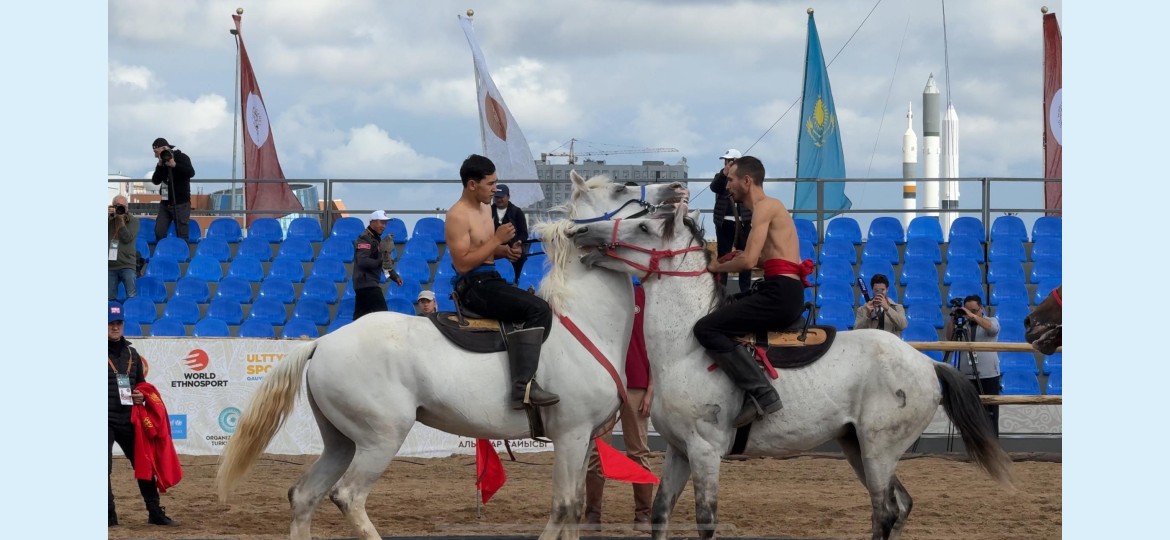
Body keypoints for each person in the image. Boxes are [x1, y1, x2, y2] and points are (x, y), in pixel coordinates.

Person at [695, 156, 811, 427]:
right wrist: (739, 258)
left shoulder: (765, 207)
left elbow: (748, 263)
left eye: (731, 180)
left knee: (705, 328)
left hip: (780, 293)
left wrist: (716, 266)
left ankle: (762, 392)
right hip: (781, 289)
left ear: (747, 181)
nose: (727, 186)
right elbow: (760, 260)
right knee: (721, 309)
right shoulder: (770, 209)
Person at [445, 154, 559, 409]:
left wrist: (505, 252)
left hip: (490, 277)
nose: (495, 189)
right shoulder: (457, 216)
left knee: (543, 304)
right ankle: (523, 387)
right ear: (472, 184)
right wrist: (497, 241)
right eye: (490, 183)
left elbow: (483, 249)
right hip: (473, 285)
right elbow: (462, 263)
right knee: (539, 309)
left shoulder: (486, 209)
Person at [583, 279, 654, 532]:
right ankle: (593, 515)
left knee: (638, 452)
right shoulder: (600, 294)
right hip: (605, 385)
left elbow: (656, 344)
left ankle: (643, 515)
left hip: (636, 383)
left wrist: (651, 388)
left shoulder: (645, 296)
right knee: (596, 453)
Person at [108, 301, 178, 527]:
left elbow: (141, 383)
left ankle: (154, 512)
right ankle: (108, 516)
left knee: (144, 463)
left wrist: (140, 395)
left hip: (130, 418)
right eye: (110, 323)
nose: (115, 327)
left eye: (118, 323)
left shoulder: (132, 353)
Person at [944, 294, 1002, 436]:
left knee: (990, 414)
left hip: (988, 376)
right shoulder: (962, 325)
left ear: (981, 308)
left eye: (974, 310)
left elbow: (993, 329)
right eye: (967, 310)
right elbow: (949, 339)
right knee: (968, 415)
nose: (970, 313)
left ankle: (992, 443)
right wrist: (954, 319)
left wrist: (973, 316)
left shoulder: (990, 320)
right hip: (966, 376)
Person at [709, 149, 753, 293]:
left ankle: (745, 291)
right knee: (723, 256)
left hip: (743, 222)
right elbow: (714, 187)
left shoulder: (746, 178)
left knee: (744, 255)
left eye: (729, 161)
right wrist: (724, 174)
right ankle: (721, 290)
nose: (726, 163)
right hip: (724, 222)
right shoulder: (721, 177)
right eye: (726, 161)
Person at [353, 210, 402, 320]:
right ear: (372, 222)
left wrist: (394, 276)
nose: (384, 226)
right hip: (367, 284)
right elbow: (362, 261)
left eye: (385, 223)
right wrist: (381, 261)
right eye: (382, 222)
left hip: (364, 284)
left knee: (359, 320)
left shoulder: (375, 239)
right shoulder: (365, 238)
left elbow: (383, 263)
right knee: (383, 317)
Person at [149, 137, 196, 243]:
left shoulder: (181, 157)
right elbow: (155, 180)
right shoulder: (161, 163)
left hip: (181, 203)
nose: (155, 155)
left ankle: (183, 252)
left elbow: (191, 172)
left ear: (164, 148)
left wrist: (175, 165)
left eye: (156, 152)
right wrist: (160, 165)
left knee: (182, 234)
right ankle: (163, 249)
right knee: (159, 232)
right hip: (165, 202)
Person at [491, 184, 529, 285]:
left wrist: (518, 243)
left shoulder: (517, 212)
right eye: (496, 197)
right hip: (494, 250)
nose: (499, 200)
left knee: (518, 259)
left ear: (508, 197)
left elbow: (523, 233)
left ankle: (516, 281)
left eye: (501, 197)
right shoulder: (488, 211)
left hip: (513, 249)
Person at [109, 195, 140, 300]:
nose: (120, 209)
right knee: (109, 298)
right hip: (110, 266)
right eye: (118, 206)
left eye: (123, 206)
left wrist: (120, 220)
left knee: (131, 296)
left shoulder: (133, 221)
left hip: (127, 264)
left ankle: (132, 311)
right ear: (113, 206)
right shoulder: (109, 219)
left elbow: (126, 238)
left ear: (127, 207)